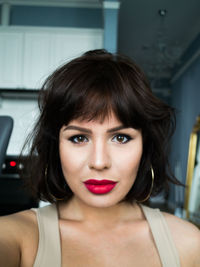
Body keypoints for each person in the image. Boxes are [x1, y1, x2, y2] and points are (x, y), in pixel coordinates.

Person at [0, 49, 200, 267]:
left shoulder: (188, 244)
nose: (99, 162)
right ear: (55, 147)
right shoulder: (15, 236)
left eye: (121, 138)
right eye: (78, 138)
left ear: (145, 147)